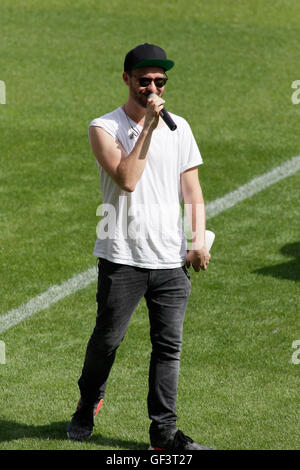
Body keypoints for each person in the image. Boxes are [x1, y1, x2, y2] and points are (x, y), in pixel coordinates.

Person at [67, 43, 212, 451]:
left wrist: (198, 238)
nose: (152, 87)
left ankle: (163, 435)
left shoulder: (179, 128)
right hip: (122, 257)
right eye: (144, 80)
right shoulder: (104, 127)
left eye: (159, 81)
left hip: (169, 260)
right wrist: (147, 125)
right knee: (107, 340)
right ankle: (89, 399)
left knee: (168, 348)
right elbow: (127, 179)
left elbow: (192, 189)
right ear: (127, 79)